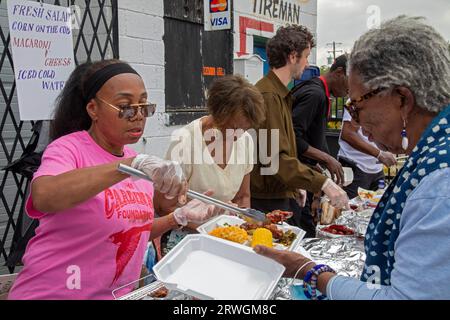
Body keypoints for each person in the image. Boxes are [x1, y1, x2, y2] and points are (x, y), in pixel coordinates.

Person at [255, 16, 450, 299]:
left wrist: (314, 274)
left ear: (402, 99)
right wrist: (319, 181)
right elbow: (273, 155)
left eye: (356, 107)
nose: (357, 126)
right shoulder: (273, 96)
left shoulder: (438, 185)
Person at [8, 60, 218, 300]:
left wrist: (176, 218)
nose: (138, 116)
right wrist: (127, 167)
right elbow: (44, 196)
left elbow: (130, 232)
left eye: (143, 106)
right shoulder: (69, 149)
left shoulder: (134, 160)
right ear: (93, 109)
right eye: (125, 106)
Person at [156, 74, 265, 255]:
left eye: (245, 129)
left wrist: (243, 228)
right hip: (187, 241)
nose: (238, 135)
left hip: (226, 238)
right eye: (233, 128)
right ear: (218, 114)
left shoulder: (245, 141)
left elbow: (243, 197)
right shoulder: (186, 142)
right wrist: (210, 230)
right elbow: (163, 206)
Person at [250, 25, 349, 220]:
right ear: (293, 57)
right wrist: (323, 183)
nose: (306, 63)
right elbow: (274, 159)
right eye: (305, 56)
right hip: (267, 198)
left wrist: (295, 184)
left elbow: (283, 150)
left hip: (278, 191)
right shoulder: (270, 95)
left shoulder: (279, 92)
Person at [289, 54, 349, 236]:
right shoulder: (315, 94)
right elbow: (291, 137)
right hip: (294, 180)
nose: (351, 90)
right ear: (340, 72)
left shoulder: (320, 92)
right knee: (303, 232)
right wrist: (327, 158)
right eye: (351, 82)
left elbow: (308, 137)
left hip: (306, 175)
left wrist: (316, 162)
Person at [338, 108, 396, 199]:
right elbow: (348, 134)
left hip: (376, 168)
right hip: (356, 166)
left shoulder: (386, 101)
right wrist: (379, 154)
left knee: (376, 208)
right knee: (350, 210)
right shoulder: (356, 100)